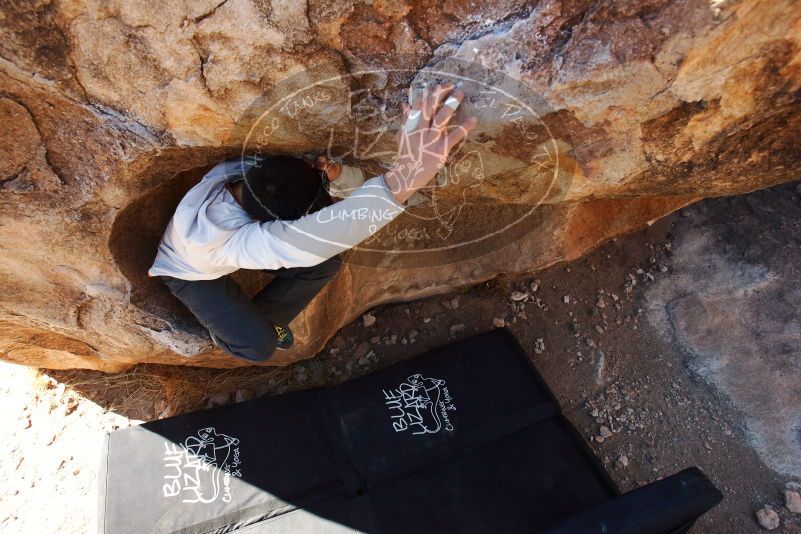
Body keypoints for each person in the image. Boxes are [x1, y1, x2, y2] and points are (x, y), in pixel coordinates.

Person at [148, 84, 477, 362]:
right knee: (259, 345)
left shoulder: (249, 170)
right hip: (186, 272)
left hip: (226, 245)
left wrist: (334, 176)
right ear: (275, 224)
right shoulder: (230, 242)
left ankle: (265, 318)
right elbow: (323, 233)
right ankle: (243, 330)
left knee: (327, 261)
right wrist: (411, 171)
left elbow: (310, 215)